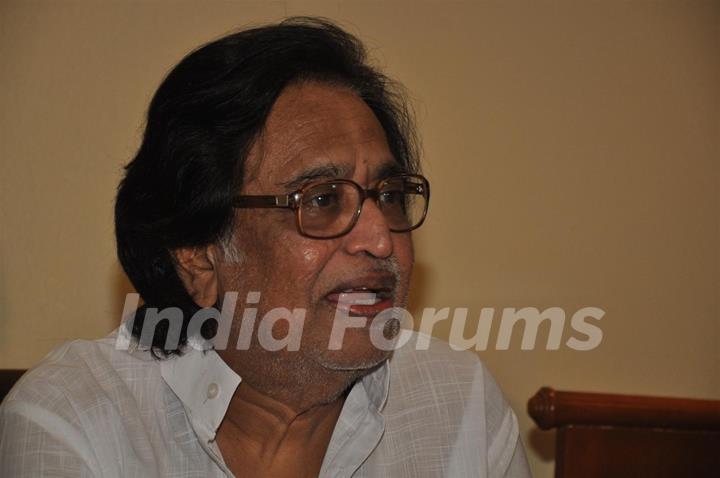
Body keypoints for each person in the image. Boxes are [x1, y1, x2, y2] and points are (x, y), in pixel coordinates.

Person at [0, 17, 531, 477]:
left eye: (389, 196)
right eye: (321, 199)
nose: (379, 238)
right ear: (198, 254)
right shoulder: (76, 418)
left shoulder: (460, 407)